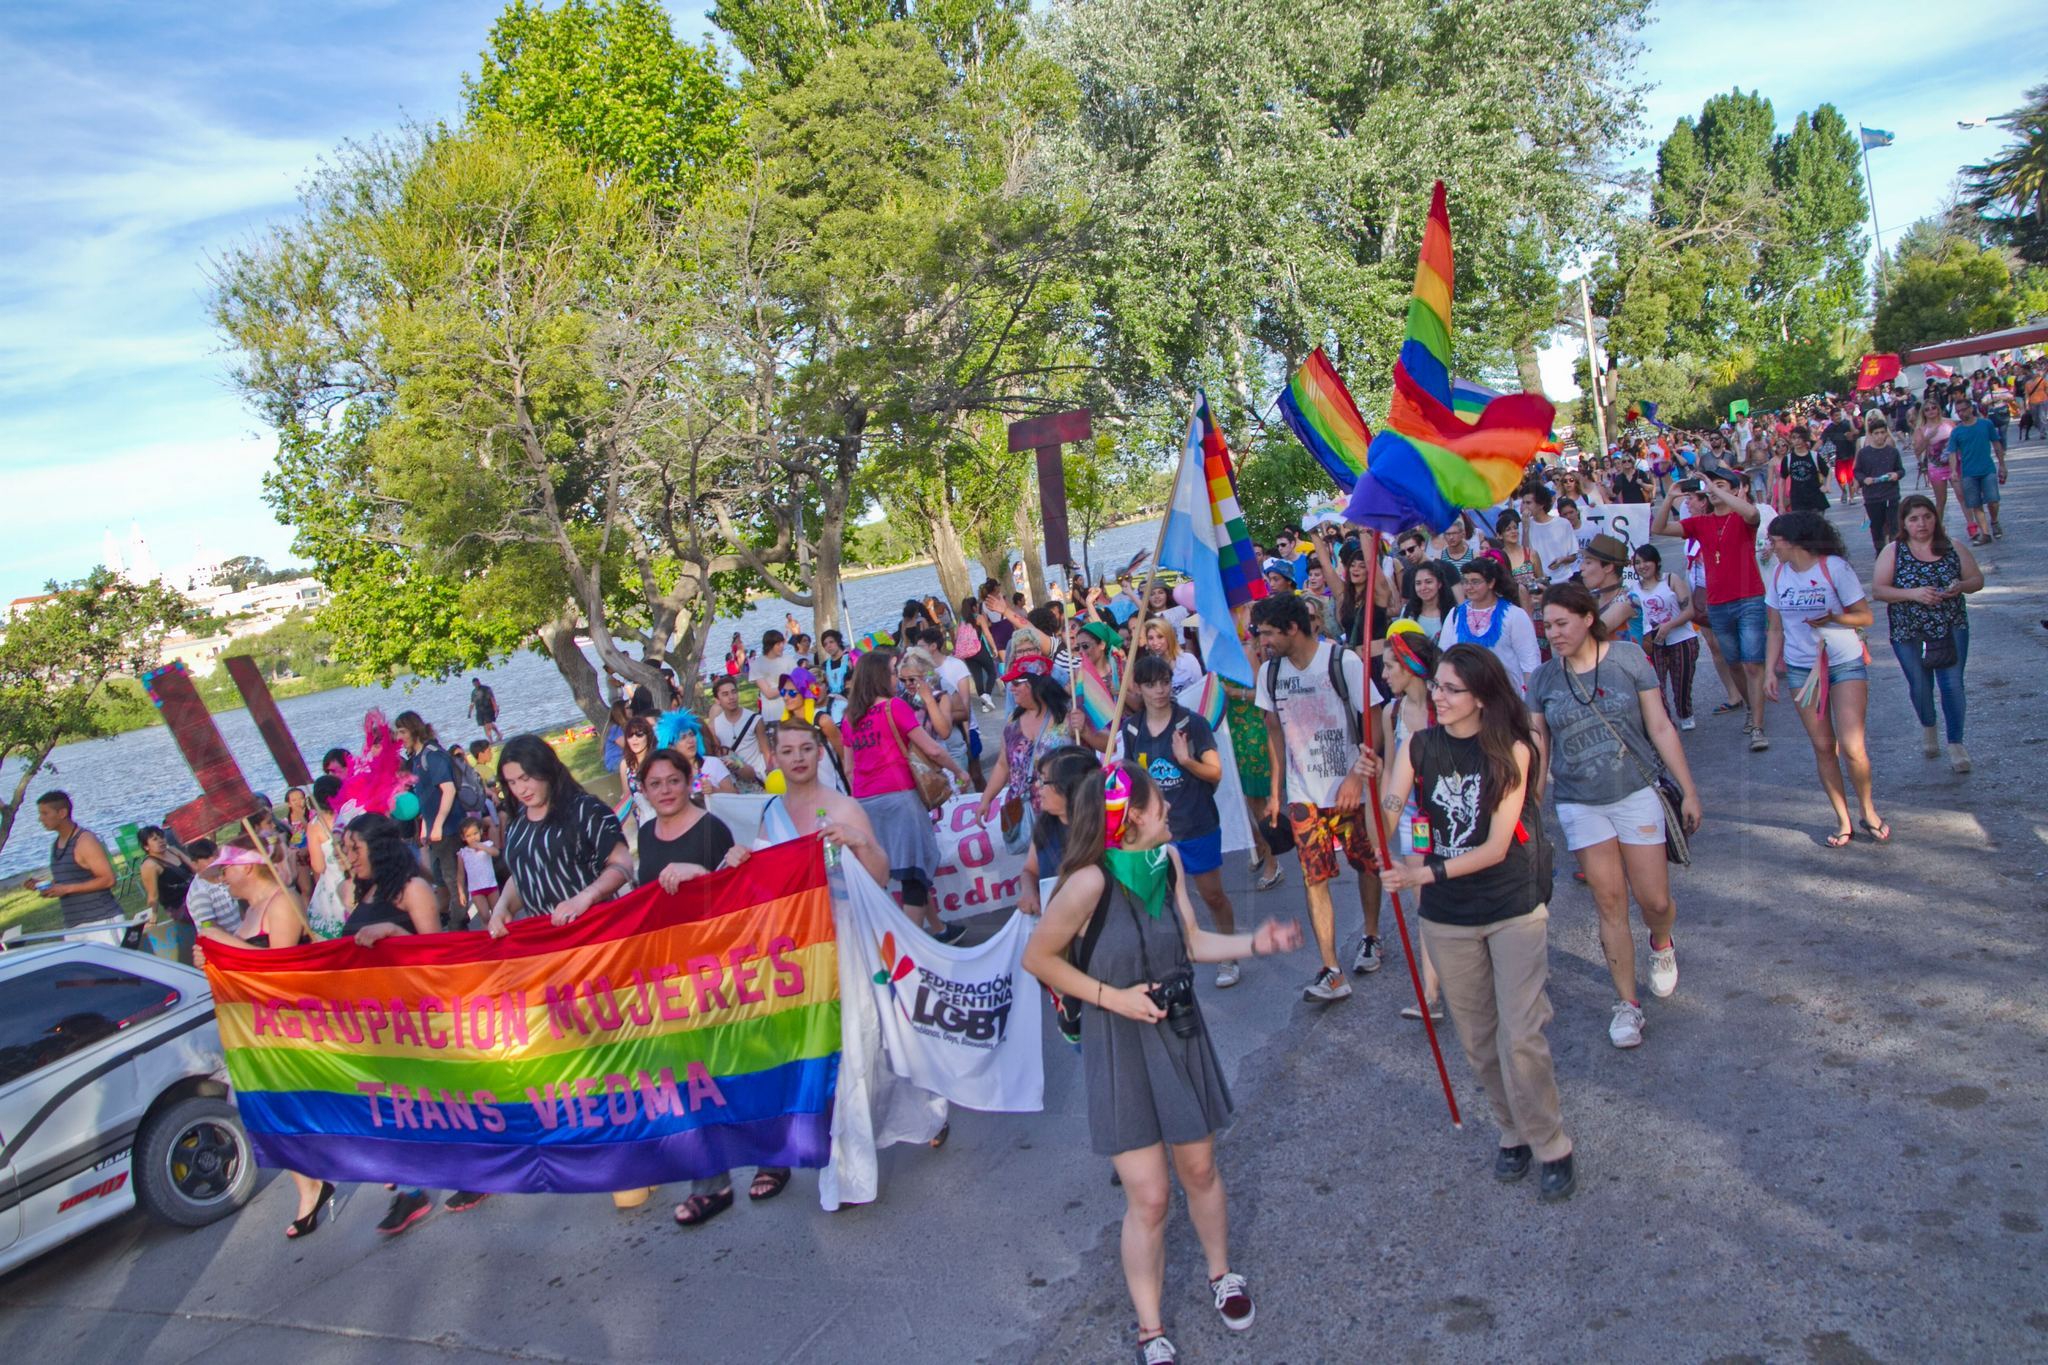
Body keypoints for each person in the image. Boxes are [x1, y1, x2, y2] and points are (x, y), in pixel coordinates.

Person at [1022, 763, 1303, 1364]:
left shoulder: (1166, 864)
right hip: (1120, 1042)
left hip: (1179, 1033)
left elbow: (1195, 943)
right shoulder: (1087, 885)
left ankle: (1221, 1273)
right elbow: (1039, 958)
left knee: (1199, 1169)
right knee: (1149, 1197)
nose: (1170, 810)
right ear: (1133, 819)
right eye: (1160, 804)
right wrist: (1113, 997)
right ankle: (1151, 1328)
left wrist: (1258, 942)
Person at [1376, 644, 1575, 1202]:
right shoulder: (1417, 745)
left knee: (1522, 1036)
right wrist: (1376, 804)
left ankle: (1552, 1141)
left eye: (1449, 689)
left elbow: (1493, 847)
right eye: (1435, 686)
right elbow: (1396, 809)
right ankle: (1511, 1129)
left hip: (1511, 904)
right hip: (1448, 917)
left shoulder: (1513, 749)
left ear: (1481, 697)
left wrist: (1424, 875)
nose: (1436, 696)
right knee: (1478, 1040)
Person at [1528, 583, 1702, 1049]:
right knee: (1608, 902)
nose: (1554, 633)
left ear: (1588, 617)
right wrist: (1531, 803)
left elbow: (1660, 726)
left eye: (1561, 623)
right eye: (1547, 625)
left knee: (1655, 902)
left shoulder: (1628, 659)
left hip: (1635, 791)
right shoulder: (1543, 679)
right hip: (1578, 802)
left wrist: (1688, 791)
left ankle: (1661, 945)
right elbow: (1539, 745)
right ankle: (1627, 1005)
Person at [627, 747, 775, 1225]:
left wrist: (700, 875)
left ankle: (771, 1156)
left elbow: (735, 900)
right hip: (672, 974)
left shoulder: (712, 828)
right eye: (656, 784)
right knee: (693, 1079)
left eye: (674, 781)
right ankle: (710, 1183)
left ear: (689, 780)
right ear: (643, 790)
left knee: (740, 1063)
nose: (666, 791)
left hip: (719, 968)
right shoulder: (646, 835)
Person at [190, 840, 340, 1240]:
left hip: (300, 1024)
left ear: (249, 867)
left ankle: (394, 1169)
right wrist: (211, 960)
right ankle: (308, 1188)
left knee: (325, 1105)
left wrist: (222, 944)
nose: (222, 877)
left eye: (226, 869)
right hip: (262, 1030)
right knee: (275, 1110)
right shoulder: (249, 911)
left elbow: (279, 973)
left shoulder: (282, 902)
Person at [1250, 592, 1385, 1000]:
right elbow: (1273, 729)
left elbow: (1374, 719)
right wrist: (1276, 791)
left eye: (1269, 633)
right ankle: (1331, 969)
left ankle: (1372, 936)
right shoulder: (1269, 674)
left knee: (1365, 863)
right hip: (1303, 793)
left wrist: (1356, 778)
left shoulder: (1342, 662)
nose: (1263, 642)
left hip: (1349, 790)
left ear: (1294, 628)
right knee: (1314, 878)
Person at [1763, 512, 1887, 848]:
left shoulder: (1833, 568)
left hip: (1843, 661)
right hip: (1801, 668)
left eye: (1774, 540)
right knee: (1822, 746)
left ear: (1792, 541)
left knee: (1852, 745)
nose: (1770, 547)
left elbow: (1866, 616)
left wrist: (1833, 618)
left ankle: (1868, 809)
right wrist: (1769, 670)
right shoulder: (1777, 576)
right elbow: (1774, 627)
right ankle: (1843, 818)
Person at [1120, 654, 1242, 987]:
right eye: (1151, 684)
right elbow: (1132, 775)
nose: (1160, 690)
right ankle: (1168, 961)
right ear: (1138, 688)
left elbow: (1214, 772)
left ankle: (1228, 953)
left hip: (1196, 824)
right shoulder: (1132, 727)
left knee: (1212, 895)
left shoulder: (1193, 723)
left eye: (1164, 681)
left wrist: (1186, 760)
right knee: (1158, 900)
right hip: (1156, 831)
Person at [840, 651, 970, 943]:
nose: (896, 678)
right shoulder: (894, 707)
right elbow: (933, 749)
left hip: (865, 801)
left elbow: (849, 768)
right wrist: (960, 771)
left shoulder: (850, 717)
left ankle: (938, 928)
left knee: (905, 866)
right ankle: (911, 945)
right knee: (915, 871)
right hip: (899, 795)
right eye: (892, 672)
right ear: (879, 677)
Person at [1657, 465, 1768, 751]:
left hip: (1749, 598)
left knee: (1753, 663)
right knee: (1733, 662)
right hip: (1718, 603)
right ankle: (1748, 709)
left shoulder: (1743, 518)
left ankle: (1757, 725)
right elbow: (1658, 528)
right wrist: (1670, 497)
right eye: (1709, 485)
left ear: (1733, 490)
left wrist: (1716, 488)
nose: (1711, 489)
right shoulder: (1701, 523)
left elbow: (1752, 514)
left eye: (1720, 484)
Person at [1872, 494, 1984, 774]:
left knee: (1952, 685)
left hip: (1950, 625)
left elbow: (1977, 580)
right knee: (1920, 686)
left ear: (1936, 518)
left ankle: (1956, 743)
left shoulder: (1952, 547)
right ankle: (1929, 724)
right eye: (1914, 518)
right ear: (1904, 523)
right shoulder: (1893, 551)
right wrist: (1914, 594)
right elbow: (1879, 590)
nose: (1921, 523)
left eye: (1927, 516)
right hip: (1909, 630)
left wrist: (1960, 586)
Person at [1378, 624, 1443, 1021]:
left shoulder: (1447, 702)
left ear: (1412, 665)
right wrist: (1385, 825)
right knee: (1426, 905)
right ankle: (1431, 994)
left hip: (1455, 817)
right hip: (1416, 820)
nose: (1384, 675)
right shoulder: (1393, 711)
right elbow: (1388, 771)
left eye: (1390, 666)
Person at [975, 655, 1072, 853]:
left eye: (1017, 683)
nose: (1011, 688)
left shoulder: (1067, 719)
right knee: (1032, 871)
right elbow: (1003, 764)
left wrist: (1086, 730)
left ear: (1036, 684)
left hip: (1061, 814)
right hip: (1023, 811)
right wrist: (986, 799)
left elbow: (1105, 746)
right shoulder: (1013, 720)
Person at [393, 710, 466, 928]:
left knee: (453, 879)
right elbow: (426, 797)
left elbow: (448, 790)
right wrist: (425, 827)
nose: (399, 737)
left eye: (402, 731)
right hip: (435, 829)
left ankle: (459, 923)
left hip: (449, 828)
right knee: (438, 878)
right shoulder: (416, 759)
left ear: (414, 730)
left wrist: (438, 825)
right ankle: (445, 918)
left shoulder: (432, 755)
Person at [22, 792, 123, 938]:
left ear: (62, 813)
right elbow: (70, 881)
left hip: (100, 920)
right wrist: (46, 886)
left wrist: (66, 888)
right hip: (73, 925)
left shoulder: (85, 841)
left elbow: (108, 879)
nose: (40, 819)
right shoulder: (56, 845)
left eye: (45, 813)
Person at [1438, 557, 1541, 696]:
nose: (1468, 587)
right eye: (1465, 582)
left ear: (1491, 583)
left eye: (1475, 582)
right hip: (1466, 700)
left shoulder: (1514, 615)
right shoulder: (1454, 615)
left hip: (1506, 699)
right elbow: (1445, 656)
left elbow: (1530, 662)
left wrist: (1531, 702)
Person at [1018, 744, 1100, 917]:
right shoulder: (1045, 824)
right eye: (1038, 779)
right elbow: (1029, 871)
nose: (1037, 787)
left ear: (1069, 787)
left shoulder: (1102, 831)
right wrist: (1028, 891)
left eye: (1044, 781)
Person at [1634, 545, 1700, 729]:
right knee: (1656, 685)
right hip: (1653, 643)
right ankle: (1665, 720)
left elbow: (1689, 611)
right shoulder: (1633, 589)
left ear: (1656, 562)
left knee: (1682, 682)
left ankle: (1685, 712)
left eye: (1646, 561)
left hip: (1681, 638)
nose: (1642, 566)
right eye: (1637, 562)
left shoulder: (1670, 579)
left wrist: (1669, 625)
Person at [1946, 397, 2008, 545]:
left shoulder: (1986, 424)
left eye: (1963, 410)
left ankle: (1994, 521)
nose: (1961, 413)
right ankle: (1985, 533)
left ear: (1971, 408)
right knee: (1975, 503)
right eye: (1958, 411)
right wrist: (1953, 471)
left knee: (1993, 500)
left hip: (1987, 469)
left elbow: (1997, 445)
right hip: (1968, 472)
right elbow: (1953, 453)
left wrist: (2002, 465)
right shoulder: (1957, 432)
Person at [137, 825, 196, 960]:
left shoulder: (173, 851)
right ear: (146, 846)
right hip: (178, 905)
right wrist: (152, 920)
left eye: (161, 837)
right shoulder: (150, 865)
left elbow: (194, 869)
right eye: (155, 839)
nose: (161, 841)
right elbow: (153, 896)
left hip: (194, 894)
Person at [1854, 415, 1907, 554]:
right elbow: (1857, 471)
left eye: (1882, 432)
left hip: (1891, 494)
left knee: (1894, 526)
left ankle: (1896, 552)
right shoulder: (1864, 453)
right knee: (1877, 528)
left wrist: (1896, 475)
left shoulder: (1892, 452)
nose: (1880, 436)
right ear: (1871, 435)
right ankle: (1880, 553)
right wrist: (1864, 479)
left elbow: (1901, 470)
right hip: (1873, 497)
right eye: (1876, 433)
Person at [1576, 534, 1640, 641]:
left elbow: (1586, 636)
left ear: (1608, 567)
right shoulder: (1594, 598)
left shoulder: (1627, 601)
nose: (1581, 567)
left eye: (1588, 562)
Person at [709, 676, 769, 789]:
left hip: (759, 779)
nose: (731, 697)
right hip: (736, 784)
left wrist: (770, 774)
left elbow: (766, 752)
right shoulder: (714, 727)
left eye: (734, 692)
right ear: (717, 700)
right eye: (725, 694)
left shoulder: (754, 719)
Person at [1520, 484, 1579, 589]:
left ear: (1541, 504)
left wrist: (1561, 560)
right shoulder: (1522, 525)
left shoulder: (1562, 524)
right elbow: (1525, 554)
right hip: (1538, 582)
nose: (1525, 506)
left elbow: (1573, 555)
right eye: (1523, 502)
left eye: (1529, 503)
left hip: (1562, 581)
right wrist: (1525, 528)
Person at [454, 817, 500, 925]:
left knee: (497, 912)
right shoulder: (463, 853)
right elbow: (460, 874)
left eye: (475, 833)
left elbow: (496, 853)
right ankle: (489, 935)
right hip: (476, 889)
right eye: (468, 836)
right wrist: (461, 892)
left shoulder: (487, 844)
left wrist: (482, 846)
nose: (473, 838)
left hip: (491, 885)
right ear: (463, 837)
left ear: (480, 831)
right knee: (485, 916)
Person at [1773, 427, 1830, 515]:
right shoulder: (1788, 459)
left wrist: (1827, 486)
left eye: (1800, 438)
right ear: (1791, 440)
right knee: (1802, 527)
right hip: (1798, 502)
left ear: (1805, 439)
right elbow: (1782, 480)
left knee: (1818, 527)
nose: (1797, 441)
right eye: (1794, 438)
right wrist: (1781, 504)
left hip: (1816, 500)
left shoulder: (1814, 456)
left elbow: (1828, 472)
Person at [1140, 618, 1203, 693]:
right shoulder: (1152, 669)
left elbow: (1201, 688)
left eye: (1160, 636)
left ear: (1169, 637)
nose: (1155, 642)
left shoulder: (1188, 660)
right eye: (1150, 638)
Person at [1401, 560, 1455, 644]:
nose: (1423, 587)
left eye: (1428, 582)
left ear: (1439, 584)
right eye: (1418, 583)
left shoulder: (1453, 614)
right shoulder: (1408, 611)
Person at [468, 677, 502, 743]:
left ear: (479, 682)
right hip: (480, 711)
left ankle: (490, 740)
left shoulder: (486, 689)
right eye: (474, 684)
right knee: (487, 724)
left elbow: (492, 699)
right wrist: (469, 712)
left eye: (477, 683)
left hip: (488, 709)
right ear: (473, 684)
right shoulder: (473, 692)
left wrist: (496, 708)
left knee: (487, 724)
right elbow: (472, 703)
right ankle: (498, 734)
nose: (476, 684)